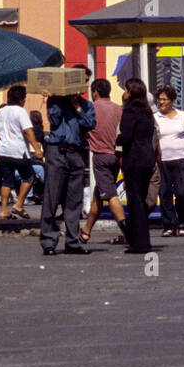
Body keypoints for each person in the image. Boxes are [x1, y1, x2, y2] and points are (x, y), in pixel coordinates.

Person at [40, 85, 96, 256]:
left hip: (76, 152)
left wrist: (77, 107)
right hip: (57, 151)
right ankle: (48, 241)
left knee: (74, 200)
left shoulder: (87, 105)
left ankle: (73, 241)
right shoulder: (55, 101)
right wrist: (54, 98)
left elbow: (90, 123)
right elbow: (55, 120)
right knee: (52, 198)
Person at [82, 78, 127, 245]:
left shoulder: (90, 108)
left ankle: (126, 229)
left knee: (110, 195)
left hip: (100, 157)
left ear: (95, 92)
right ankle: (86, 231)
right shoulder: (118, 109)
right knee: (99, 196)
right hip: (116, 156)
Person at [116, 78, 156, 253]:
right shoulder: (147, 112)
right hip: (147, 158)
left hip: (134, 159)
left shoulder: (130, 111)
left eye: (125, 90)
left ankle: (140, 243)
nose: (124, 94)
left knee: (135, 202)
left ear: (131, 92)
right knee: (141, 199)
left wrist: (116, 140)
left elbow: (126, 136)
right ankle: (141, 239)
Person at [155, 84, 184, 237]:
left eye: (164, 99)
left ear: (172, 101)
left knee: (182, 192)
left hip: (181, 159)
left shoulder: (182, 116)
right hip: (162, 161)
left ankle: (183, 221)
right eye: (159, 99)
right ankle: (169, 225)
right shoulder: (155, 118)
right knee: (164, 193)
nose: (161, 102)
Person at [0, 84, 43, 220]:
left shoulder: (1, 112)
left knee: (7, 181)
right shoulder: (20, 112)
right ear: (22, 99)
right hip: (18, 151)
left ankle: (4, 210)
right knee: (29, 176)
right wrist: (37, 148)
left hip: (3, 151)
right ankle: (19, 204)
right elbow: (28, 130)